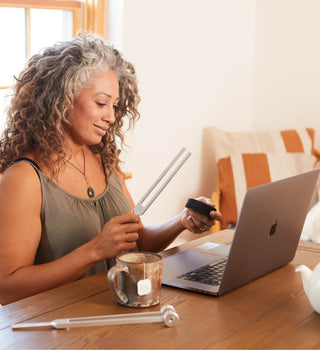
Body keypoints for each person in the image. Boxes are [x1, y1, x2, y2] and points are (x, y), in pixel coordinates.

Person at [0, 31, 221, 305]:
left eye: (114, 106)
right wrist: (94, 250)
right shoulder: (24, 178)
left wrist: (182, 220)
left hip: (117, 313)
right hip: (58, 329)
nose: (111, 116)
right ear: (63, 98)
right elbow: (7, 287)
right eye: (101, 103)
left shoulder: (104, 159)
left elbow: (138, 242)